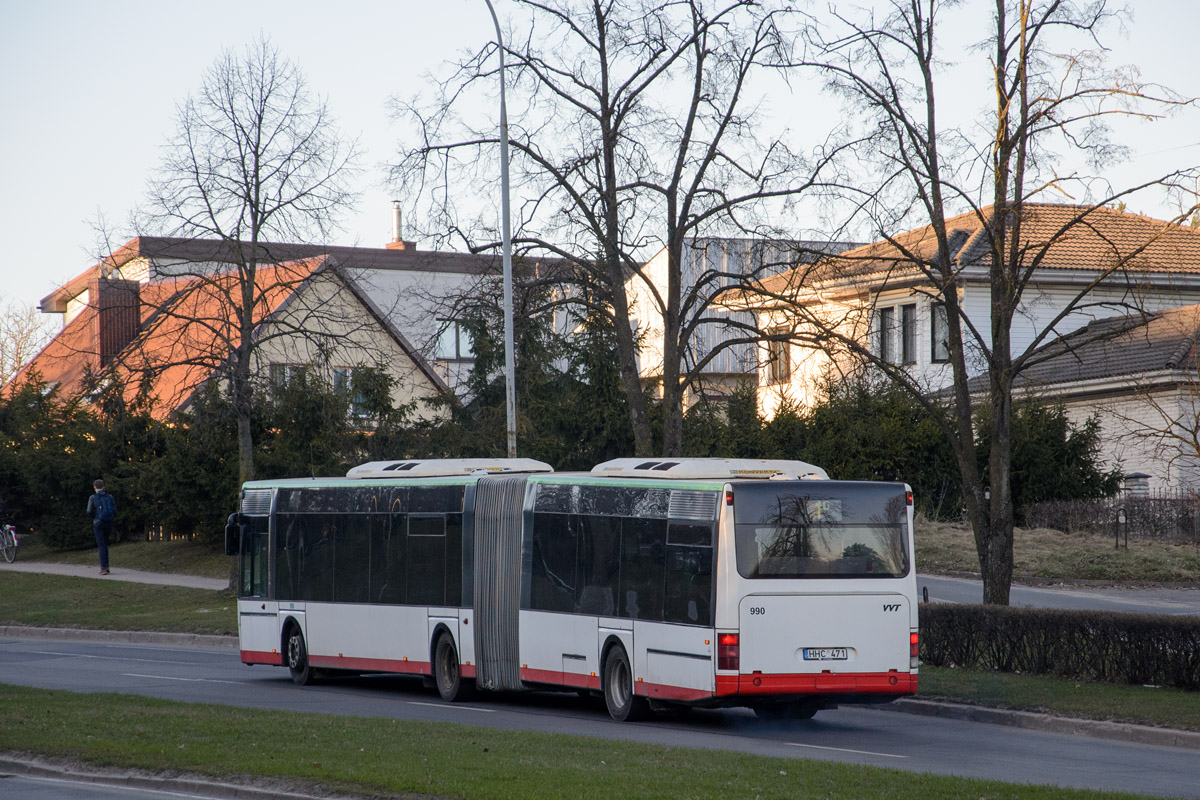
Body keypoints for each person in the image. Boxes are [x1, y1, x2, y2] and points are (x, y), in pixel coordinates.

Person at [86, 479, 116, 575]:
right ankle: (106, 566)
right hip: (108, 521)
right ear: (103, 486)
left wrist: (95, 517)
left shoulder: (93, 497)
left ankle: (103, 567)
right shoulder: (109, 497)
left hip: (98, 522)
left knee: (101, 545)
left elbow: (89, 511)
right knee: (105, 544)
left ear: (95, 487)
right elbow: (114, 510)